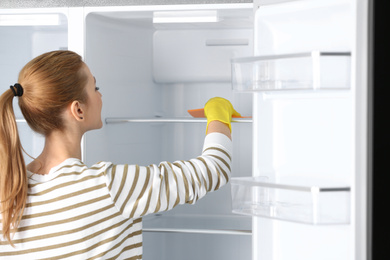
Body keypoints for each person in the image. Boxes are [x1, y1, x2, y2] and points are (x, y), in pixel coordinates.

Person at [0, 50, 240, 259]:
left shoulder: (7, 194)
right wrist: (218, 112)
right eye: (95, 87)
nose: (100, 95)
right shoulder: (107, 186)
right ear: (78, 109)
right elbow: (214, 168)